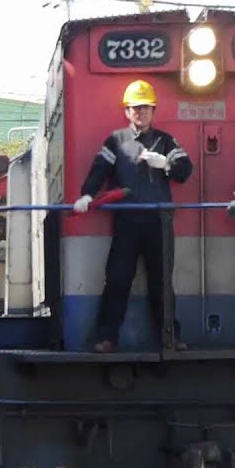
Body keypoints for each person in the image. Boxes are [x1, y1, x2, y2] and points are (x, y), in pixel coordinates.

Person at [73, 79, 192, 352]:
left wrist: (166, 164)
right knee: (117, 279)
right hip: (126, 221)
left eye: (146, 108)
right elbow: (99, 170)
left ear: (153, 111)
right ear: (127, 112)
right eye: (136, 108)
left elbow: (185, 170)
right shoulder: (116, 141)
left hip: (159, 221)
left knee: (162, 282)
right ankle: (106, 338)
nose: (141, 113)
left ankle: (170, 337)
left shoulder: (166, 141)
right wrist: (87, 195)